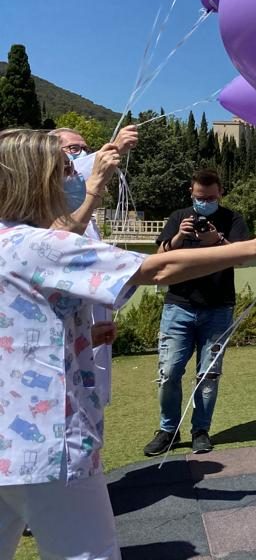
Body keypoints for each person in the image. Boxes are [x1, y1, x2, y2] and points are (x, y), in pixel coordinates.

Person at [0, 128, 256, 560]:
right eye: (64, 170)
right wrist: (251, 248)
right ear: (35, 180)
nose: (73, 177)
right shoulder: (42, 246)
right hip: (50, 446)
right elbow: (159, 267)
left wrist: (82, 332)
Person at [143, 169, 252, 457]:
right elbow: (159, 259)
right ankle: (168, 430)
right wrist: (180, 236)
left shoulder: (232, 219)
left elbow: (242, 257)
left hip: (218, 309)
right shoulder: (179, 217)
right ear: (191, 194)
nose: (204, 202)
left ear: (221, 194)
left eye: (211, 198)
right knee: (168, 373)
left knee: (209, 375)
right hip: (178, 305)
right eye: (199, 197)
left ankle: (200, 430)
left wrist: (218, 241)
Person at [53, 126, 138, 409]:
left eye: (85, 149)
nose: (81, 157)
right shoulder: (41, 228)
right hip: (51, 380)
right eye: (73, 149)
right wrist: (113, 147)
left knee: (91, 401)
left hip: (89, 335)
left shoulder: (88, 225)